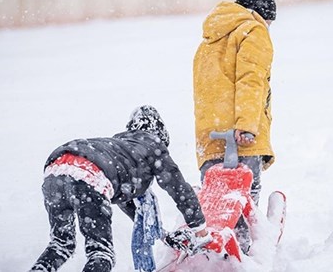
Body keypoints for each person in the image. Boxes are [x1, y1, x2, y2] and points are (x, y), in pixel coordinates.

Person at [31, 105, 208, 272]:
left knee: (61, 245)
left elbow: (135, 210)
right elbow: (179, 189)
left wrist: (165, 236)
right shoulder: (153, 146)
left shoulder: (119, 150)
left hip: (55, 171)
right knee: (101, 254)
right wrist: (200, 229)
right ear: (160, 134)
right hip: (89, 175)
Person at [192, 0, 277, 252]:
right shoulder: (254, 30)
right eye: (270, 22)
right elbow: (251, 81)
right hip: (240, 135)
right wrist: (247, 125)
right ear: (261, 14)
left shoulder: (209, 39)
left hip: (209, 137)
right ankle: (245, 252)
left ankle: (217, 253)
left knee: (218, 205)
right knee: (244, 199)